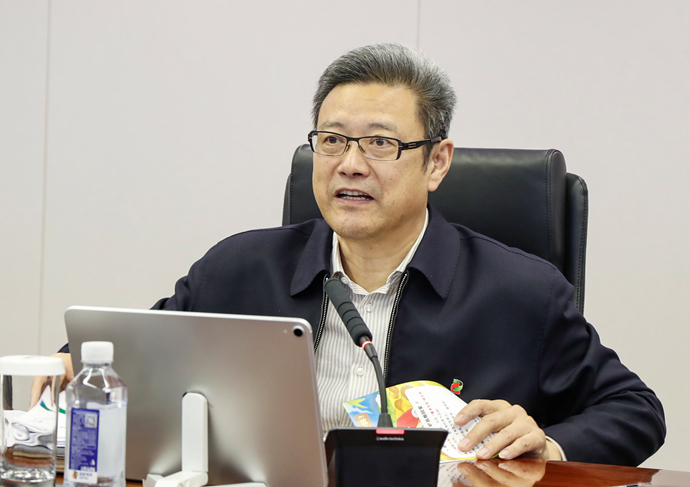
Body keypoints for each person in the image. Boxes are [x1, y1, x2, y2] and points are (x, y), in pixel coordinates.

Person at [33, 43, 665, 466]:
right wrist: (65, 366)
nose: (350, 164)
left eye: (380, 144)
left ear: (436, 162)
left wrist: (548, 442)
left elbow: (636, 410)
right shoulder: (238, 269)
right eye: (332, 140)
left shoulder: (521, 292)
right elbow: (124, 356)